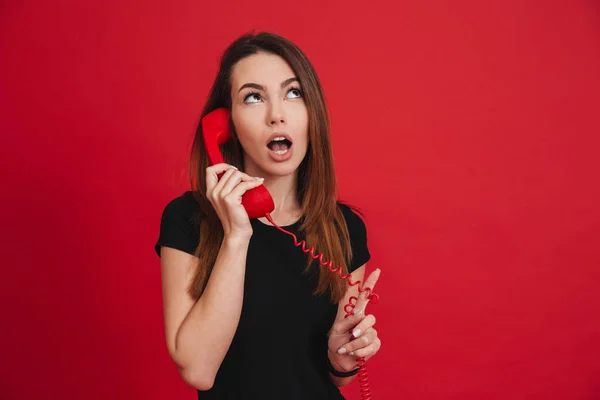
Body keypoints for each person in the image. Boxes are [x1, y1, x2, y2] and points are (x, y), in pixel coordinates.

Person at [154, 31, 382, 400]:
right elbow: (198, 368)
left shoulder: (345, 228)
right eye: (254, 97)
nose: (277, 115)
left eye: (294, 93)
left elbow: (337, 378)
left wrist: (341, 359)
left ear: (312, 113)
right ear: (226, 125)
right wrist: (237, 236)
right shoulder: (188, 219)